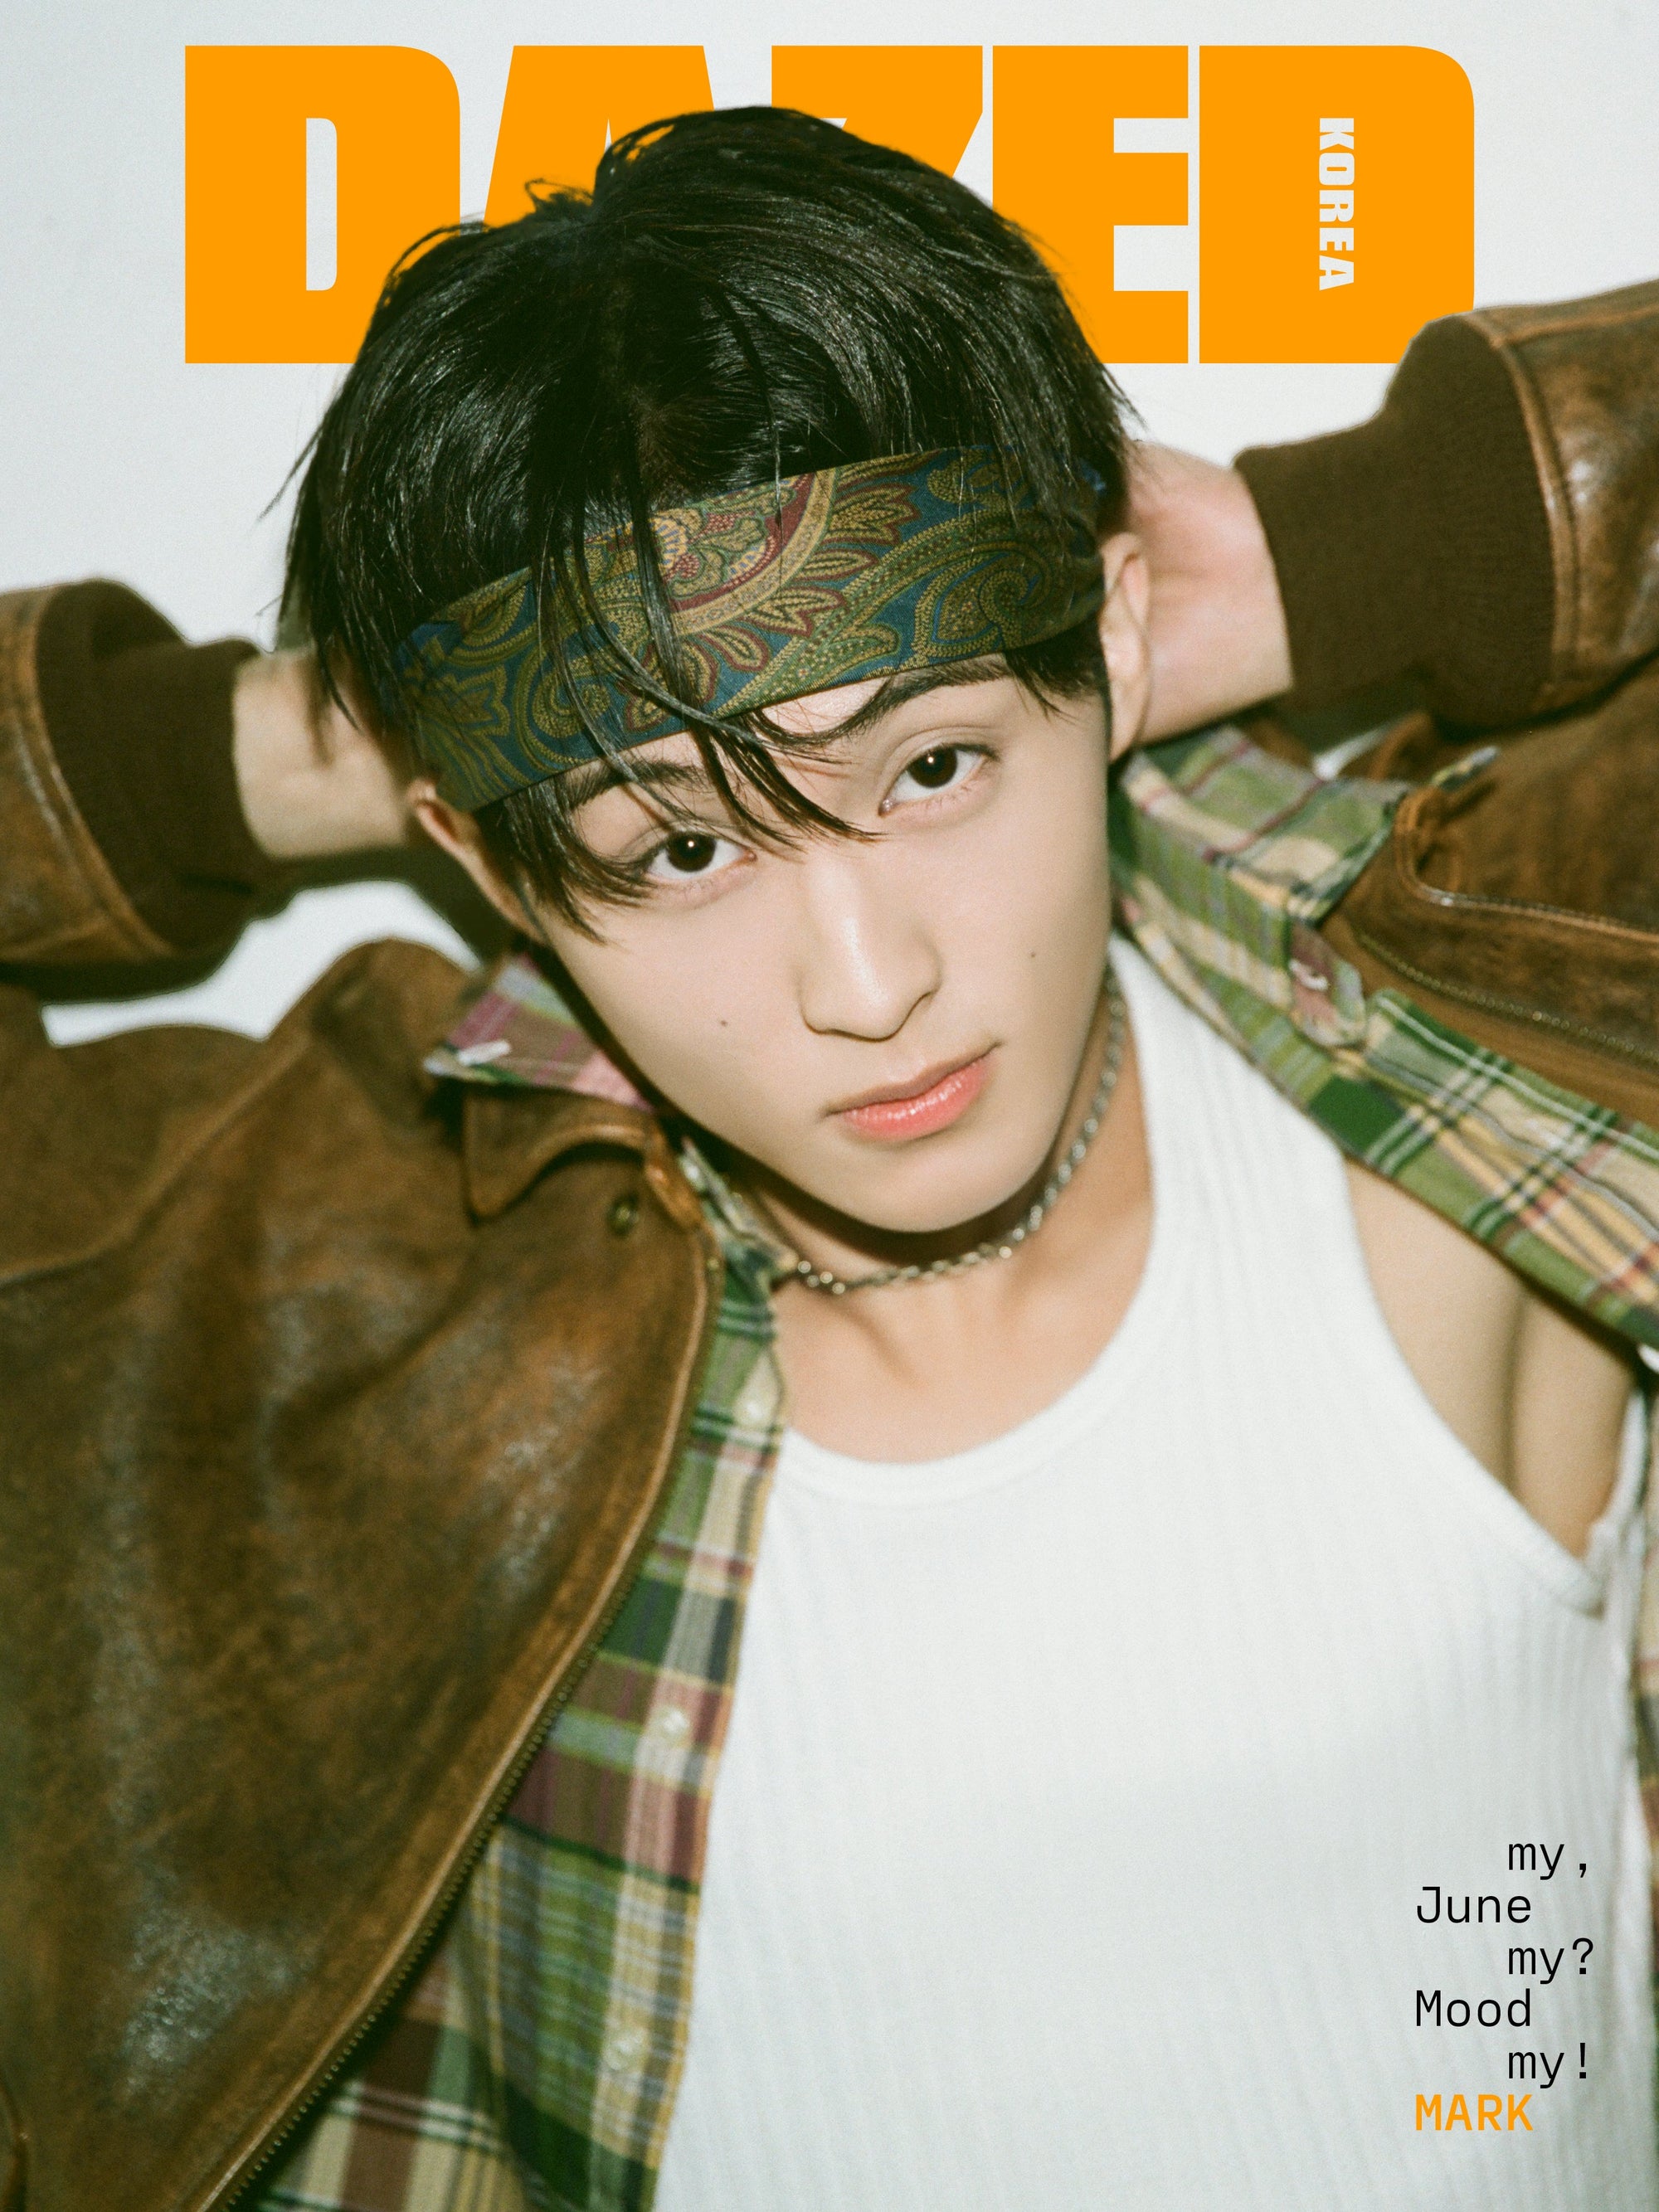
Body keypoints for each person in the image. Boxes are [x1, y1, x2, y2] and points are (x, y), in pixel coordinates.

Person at [3, 105, 1657, 2212]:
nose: (871, 983)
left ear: (1113, 649)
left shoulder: (1447, 1122)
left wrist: (1337, 552)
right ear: (485, 865)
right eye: (680, 851)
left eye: (935, 762)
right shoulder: (335, 1313)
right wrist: (314, 750)